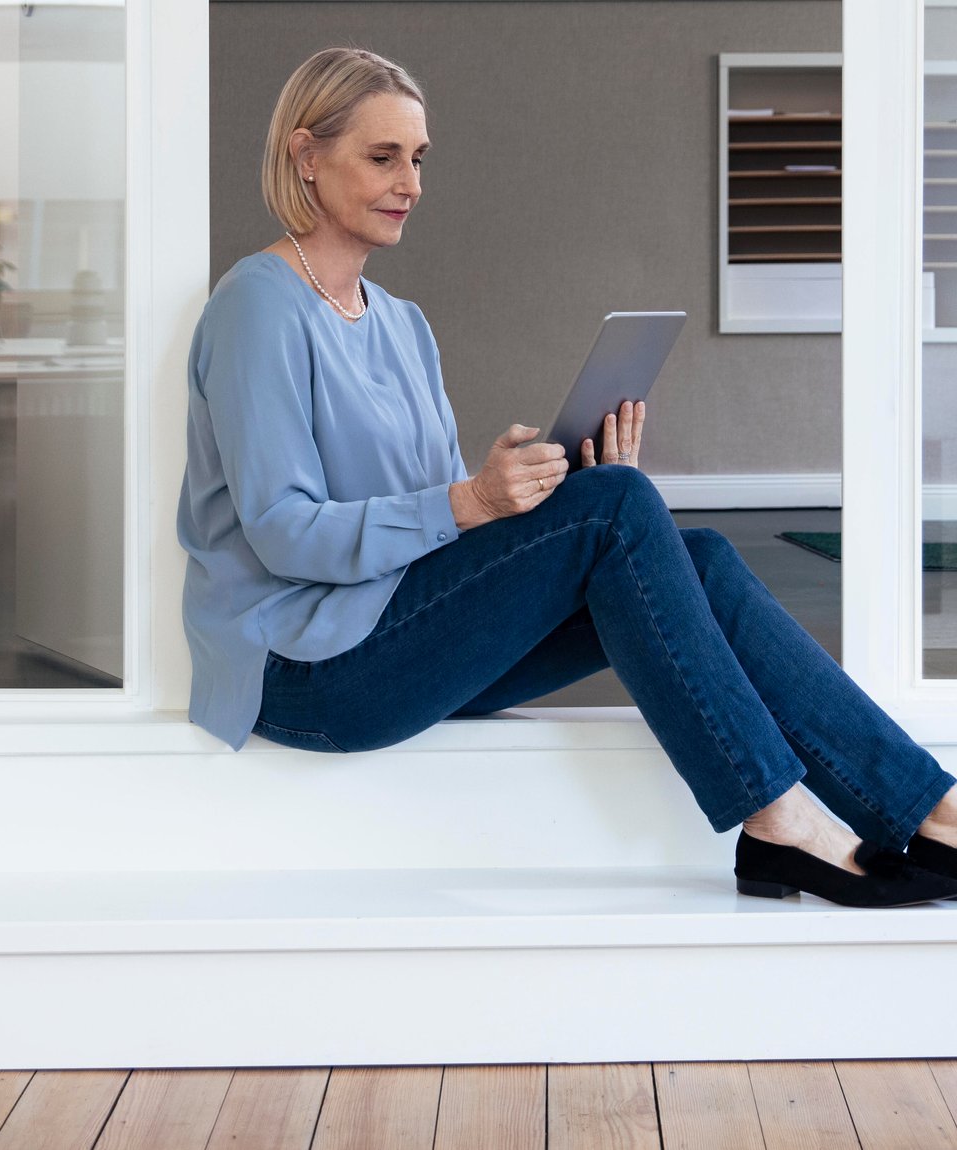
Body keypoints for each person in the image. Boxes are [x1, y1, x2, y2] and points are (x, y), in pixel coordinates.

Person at [177, 45, 957, 908]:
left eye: (420, 159)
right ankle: (779, 819)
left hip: (401, 638)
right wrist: (479, 500)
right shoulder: (256, 307)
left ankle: (933, 813)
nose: (411, 183)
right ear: (306, 155)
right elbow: (285, 534)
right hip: (306, 673)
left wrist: (560, 495)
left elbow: (440, 533)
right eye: (383, 156)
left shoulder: (402, 324)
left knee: (688, 553)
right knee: (617, 510)